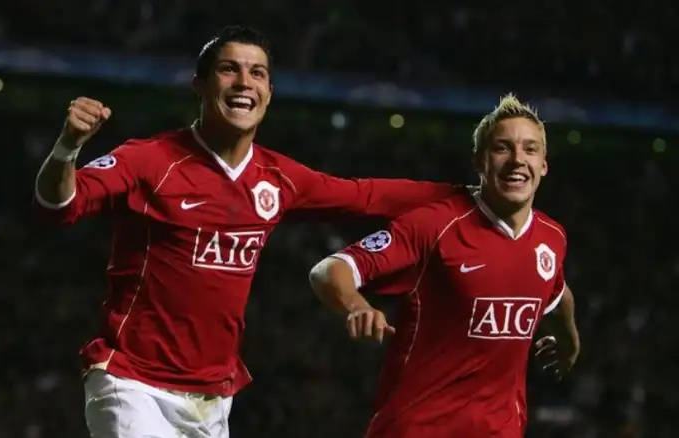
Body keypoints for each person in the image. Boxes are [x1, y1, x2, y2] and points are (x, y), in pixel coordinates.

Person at [34, 25, 458, 438]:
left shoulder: (277, 177)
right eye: (228, 69)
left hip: (213, 397)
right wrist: (68, 146)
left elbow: (365, 196)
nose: (244, 82)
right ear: (199, 85)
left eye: (257, 73)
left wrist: (465, 195)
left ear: (269, 92)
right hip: (133, 384)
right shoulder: (150, 160)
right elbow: (60, 206)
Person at [309, 94, 580, 437]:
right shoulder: (436, 224)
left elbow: (556, 292)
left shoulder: (551, 236)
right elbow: (329, 269)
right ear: (479, 162)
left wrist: (570, 342)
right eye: (502, 148)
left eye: (530, 149)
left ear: (543, 164)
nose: (517, 160)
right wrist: (356, 306)